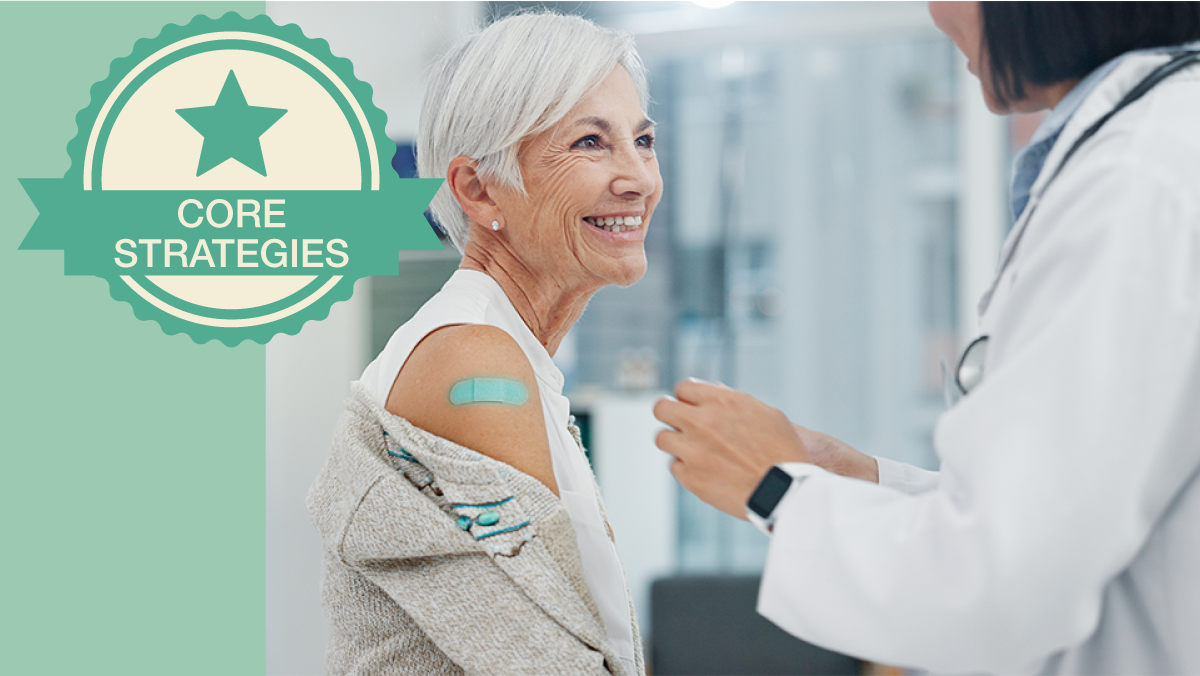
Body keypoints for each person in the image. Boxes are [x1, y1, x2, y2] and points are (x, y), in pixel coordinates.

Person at [653, 2, 1200, 675]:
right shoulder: (1157, 151)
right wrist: (864, 483)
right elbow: (1061, 515)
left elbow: (998, 585)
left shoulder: (1137, 183)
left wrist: (775, 490)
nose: (938, 16)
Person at [308, 12, 661, 676]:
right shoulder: (473, 363)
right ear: (476, 188)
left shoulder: (514, 358)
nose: (637, 176)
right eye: (591, 142)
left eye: (643, 140)